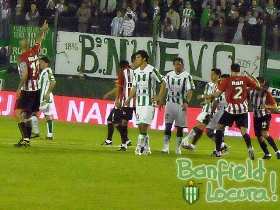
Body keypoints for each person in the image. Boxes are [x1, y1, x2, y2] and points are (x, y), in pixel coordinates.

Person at [206, 63, 259, 159]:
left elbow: (217, 94)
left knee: (219, 127)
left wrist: (209, 96)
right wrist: (252, 77)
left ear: (231, 70)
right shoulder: (245, 79)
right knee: (244, 132)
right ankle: (250, 147)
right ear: (239, 70)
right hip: (243, 109)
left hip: (231, 109)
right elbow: (258, 87)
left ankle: (218, 151)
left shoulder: (227, 80)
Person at [15, 20, 49, 147]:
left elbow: (24, 75)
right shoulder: (34, 51)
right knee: (28, 114)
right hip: (36, 89)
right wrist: (43, 30)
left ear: (21, 46)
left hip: (28, 89)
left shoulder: (22, 57)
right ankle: (26, 139)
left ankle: (25, 139)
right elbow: (39, 39)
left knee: (19, 114)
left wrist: (18, 89)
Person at [125, 50, 166, 155]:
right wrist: (129, 98)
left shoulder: (152, 70)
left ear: (144, 59)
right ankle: (147, 148)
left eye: (138, 57)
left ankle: (139, 147)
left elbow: (163, 83)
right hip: (139, 102)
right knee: (140, 126)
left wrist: (159, 96)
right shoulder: (136, 71)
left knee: (144, 125)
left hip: (149, 102)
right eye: (136, 58)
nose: (136, 60)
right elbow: (134, 86)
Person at [181, 68, 227, 152]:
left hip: (213, 110)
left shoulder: (221, 84)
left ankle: (186, 140)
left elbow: (215, 96)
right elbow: (208, 96)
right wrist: (205, 101)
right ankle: (221, 145)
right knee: (205, 129)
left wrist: (203, 97)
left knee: (201, 126)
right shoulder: (208, 84)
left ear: (217, 75)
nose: (211, 76)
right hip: (206, 108)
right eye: (211, 74)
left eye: (213, 74)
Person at [161, 57, 195, 155]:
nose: (177, 66)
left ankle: (177, 148)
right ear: (173, 65)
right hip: (170, 103)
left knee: (180, 128)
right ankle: (165, 147)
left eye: (179, 64)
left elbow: (190, 91)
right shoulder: (168, 75)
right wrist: (161, 99)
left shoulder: (187, 76)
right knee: (168, 126)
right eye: (176, 64)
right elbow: (163, 87)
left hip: (181, 105)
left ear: (182, 65)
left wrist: (186, 102)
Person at [102, 54, 136, 148]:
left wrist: (117, 98)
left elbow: (119, 87)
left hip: (123, 101)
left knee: (114, 121)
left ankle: (124, 140)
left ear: (122, 67)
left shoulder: (124, 73)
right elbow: (119, 86)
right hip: (127, 101)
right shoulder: (131, 72)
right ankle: (121, 140)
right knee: (113, 120)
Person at [249, 77, 280, 159]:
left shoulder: (266, 93)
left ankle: (277, 151)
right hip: (256, 117)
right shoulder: (251, 91)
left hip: (265, 116)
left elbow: (275, 107)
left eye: (257, 82)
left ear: (262, 83)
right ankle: (267, 154)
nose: (255, 83)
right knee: (259, 136)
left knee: (265, 134)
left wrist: (266, 106)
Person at [33, 57, 56, 140]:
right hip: (46, 97)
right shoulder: (43, 72)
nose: (40, 64)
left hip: (44, 97)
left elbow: (53, 82)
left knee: (31, 112)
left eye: (41, 62)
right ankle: (49, 135)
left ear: (46, 63)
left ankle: (35, 132)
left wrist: (47, 93)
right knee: (48, 115)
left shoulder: (48, 71)